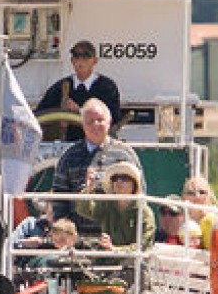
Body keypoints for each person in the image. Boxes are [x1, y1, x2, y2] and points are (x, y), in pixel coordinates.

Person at [50, 99, 139, 228]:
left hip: (117, 239)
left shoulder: (126, 154)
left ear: (109, 122)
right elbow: (59, 200)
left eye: (100, 120)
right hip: (78, 239)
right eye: (90, 121)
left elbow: (139, 195)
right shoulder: (69, 157)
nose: (95, 125)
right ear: (82, 124)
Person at [35, 39, 122, 142]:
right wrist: (60, 122)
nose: (80, 61)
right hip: (66, 147)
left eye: (86, 57)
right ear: (72, 61)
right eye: (76, 56)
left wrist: (80, 111)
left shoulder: (107, 88)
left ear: (95, 61)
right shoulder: (59, 88)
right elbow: (39, 117)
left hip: (96, 146)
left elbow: (113, 120)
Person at [80, 162, 154, 253]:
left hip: (133, 263)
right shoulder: (107, 205)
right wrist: (88, 190)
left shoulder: (144, 212)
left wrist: (115, 250)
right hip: (106, 261)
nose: (119, 181)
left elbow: (144, 245)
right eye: (115, 178)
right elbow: (84, 211)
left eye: (125, 178)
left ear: (134, 184)